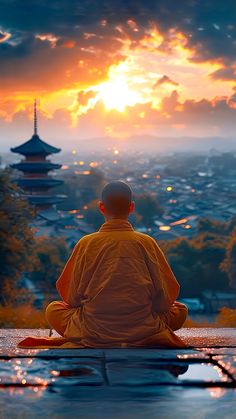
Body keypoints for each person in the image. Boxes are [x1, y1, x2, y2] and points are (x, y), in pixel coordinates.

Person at [45, 181, 187, 348]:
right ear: (131, 207)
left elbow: (71, 297)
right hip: (144, 329)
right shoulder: (147, 242)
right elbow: (165, 298)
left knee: (53, 309)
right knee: (181, 309)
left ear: (101, 207)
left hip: (91, 329)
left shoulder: (86, 243)